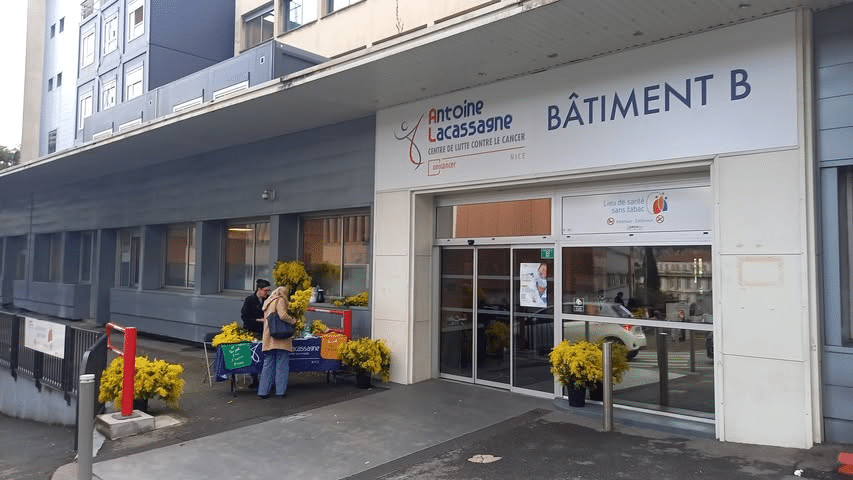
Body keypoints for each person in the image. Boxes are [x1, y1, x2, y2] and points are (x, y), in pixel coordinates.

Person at [258, 286, 295, 399]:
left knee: (268, 364)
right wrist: (293, 320)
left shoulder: (268, 302)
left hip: (269, 337)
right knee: (282, 364)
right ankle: (280, 391)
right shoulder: (280, 300)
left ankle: (263, 391)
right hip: (280, 338)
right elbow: (282, 315)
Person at [241, 279, 270, 388]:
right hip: (252, 329)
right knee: (253, 354)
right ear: (259, 289)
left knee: (263, 354)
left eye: (268, 290)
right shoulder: (250, 300)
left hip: (264, 330)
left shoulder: (267, 299)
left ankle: (264, 378)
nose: (267, 293)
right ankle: (254, 378)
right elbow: (245, 316)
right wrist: (258, 320)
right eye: (265, 290)